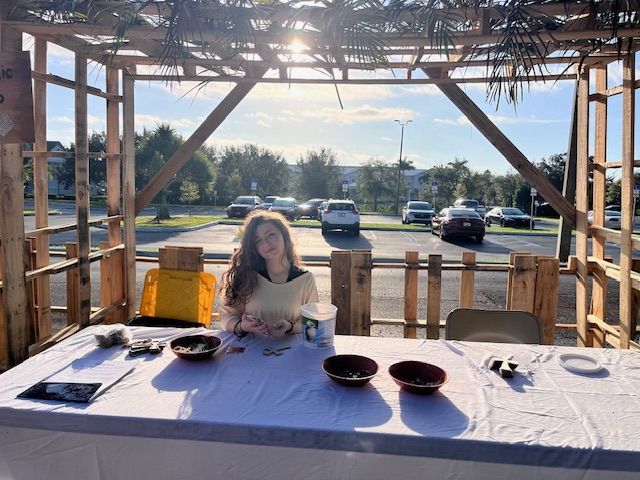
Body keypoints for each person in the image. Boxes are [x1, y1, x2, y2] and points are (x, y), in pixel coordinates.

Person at [220, 210, 318, 338]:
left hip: (292, 349)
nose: (266, 244)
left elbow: (312, 323)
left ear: (285, 235)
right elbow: (226, 316)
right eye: (258, 241)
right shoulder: (245, 275)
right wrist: (241, 326)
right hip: (250, 348)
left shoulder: (305, 279)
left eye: (271, 235)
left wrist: (290, 327)